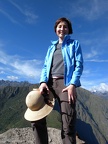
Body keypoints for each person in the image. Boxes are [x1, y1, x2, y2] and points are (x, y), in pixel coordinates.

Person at [32, 17, 83, 144]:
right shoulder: (51, 48)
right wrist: (43, 82)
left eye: (65, 26)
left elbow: (79, 65)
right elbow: (45, 67)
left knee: (68, 122)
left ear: (68, 30)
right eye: (59, 26)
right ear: (56, 30)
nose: (62, 29)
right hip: (49, 84)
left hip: (65, 84)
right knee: (36, 115)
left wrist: (72, 84)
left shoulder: (74, 44)